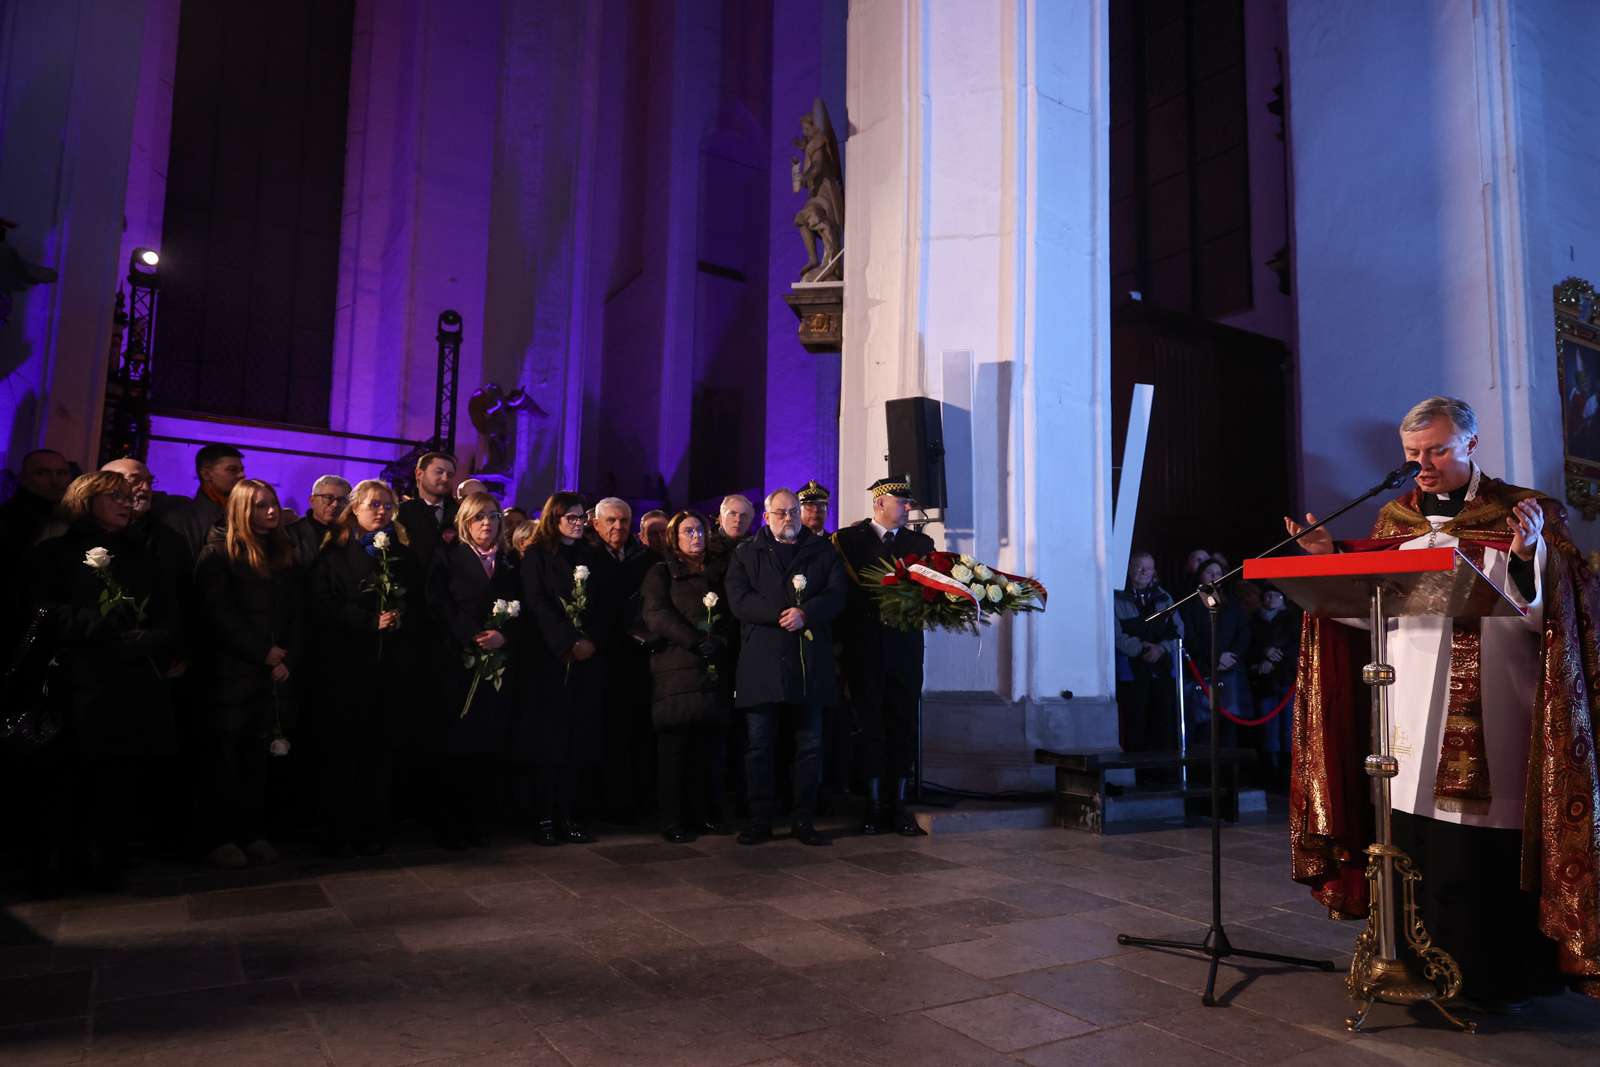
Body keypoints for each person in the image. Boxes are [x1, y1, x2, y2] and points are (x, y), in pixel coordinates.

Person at [1288, 395, 1600, 1010]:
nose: (1422, 465)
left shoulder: (1524, 511)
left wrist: (1526, 557)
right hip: (1404, 704)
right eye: (1412, 454)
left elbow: (1556, 615)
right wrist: (1327, 565)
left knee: (1479, 844)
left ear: (1471, 444)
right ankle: (1409, 963)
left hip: (1497, 701)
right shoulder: (1394, 519)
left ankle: (1493, 978)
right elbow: (1369, 614)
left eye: (1436, 450)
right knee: (1410, 830)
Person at [23, 472, 185, 893]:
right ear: (85, 499)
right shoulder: (55, 552)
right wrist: (97, 625)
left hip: (131, 679)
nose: (127, 502)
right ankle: (51, 862)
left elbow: (168, 606)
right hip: (78, 680)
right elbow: (39, 608)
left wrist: (158, 636)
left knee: (116, 777)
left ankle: (97, 856)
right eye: (115, 495)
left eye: (130, 496)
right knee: (65, 778)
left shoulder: (144, 554)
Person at [305, 479, 424, 856]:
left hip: (388, 669)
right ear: (354, 508)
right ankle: (337, 831)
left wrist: (401, 619)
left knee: (380, 753)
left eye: (388, 506)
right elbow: (321, 603)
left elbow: (420, 604)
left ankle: (372, 829)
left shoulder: (405, 557)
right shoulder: (334, 554)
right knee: (342, 753)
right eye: (373, 504)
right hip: (346, 667)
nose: (381, 511)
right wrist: (366, 621)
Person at [725, 487, 848, 846]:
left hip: (809, 662)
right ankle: (760, 819)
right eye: (780, 512)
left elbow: (837, 594)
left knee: (810, 747)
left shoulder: (823, 551)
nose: (789, 518)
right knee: (759, 747)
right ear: (766, 517)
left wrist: (806, 613)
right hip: (762, 661)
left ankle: (803, 818)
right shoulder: (746, 553)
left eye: (794, 511)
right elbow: (738, 598)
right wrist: (782, 614)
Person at [192, 479, 302, 870]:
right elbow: (215, 614)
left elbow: (296, 613)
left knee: (258, 759)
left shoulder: (284, 552)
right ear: (241, 509)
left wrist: (287, 657)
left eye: (273, 503)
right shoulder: (218, 553)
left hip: (270, 674)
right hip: (230, 673)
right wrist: (261, 652)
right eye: (260, 505)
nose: (271, 510)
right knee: (224, 760)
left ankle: (251, 832)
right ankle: (217, 837)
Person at [831, 476, 936, 835]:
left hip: (905, 646)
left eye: (908, 501)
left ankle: (898, 805)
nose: (908, 507)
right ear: (880, 502)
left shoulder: (920, 543)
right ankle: (873, 805)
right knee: (867, 723)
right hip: (864, 645)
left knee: (903, 722)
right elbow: (843, 592)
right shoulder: (848, 540)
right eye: (901, 501)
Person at [515, 492, 616, 845]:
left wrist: (589, 641)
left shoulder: (594, 555)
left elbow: (605, 604)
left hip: (586, 658)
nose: (578, 523)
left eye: (580, 518)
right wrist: (567, 642)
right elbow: (537, 603)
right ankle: (543, 817)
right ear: (554, 518)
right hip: (550, 658)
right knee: (549, 742)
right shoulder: (537, 555)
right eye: (571, 518)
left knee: (577, 741)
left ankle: (567, 813)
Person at [425, 492, 522, 850]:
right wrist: (472, 635)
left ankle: (480, 820)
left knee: (488, 744)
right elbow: (438, 601)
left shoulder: (510, 561)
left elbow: (525, 607)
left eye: (493, 516)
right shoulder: (448, 555)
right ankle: (451, 822)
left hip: (498, 662)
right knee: (456, 744)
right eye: (479, 516)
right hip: (458, 660)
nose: (487, 523)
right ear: (465, 521)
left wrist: (504, 636)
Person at [639, 510, 734, 843]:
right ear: (674, 538)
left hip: (714, 668)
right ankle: (671, 819)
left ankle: (705, 813)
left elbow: (734, 612)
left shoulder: (721, 571)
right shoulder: (661, 572)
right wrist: (693, 640)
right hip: (677, 667)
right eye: (688, 531)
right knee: (674, 750)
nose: (696, 536)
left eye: (700, 531)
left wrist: (721, 639)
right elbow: (656, 613)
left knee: (709, 750)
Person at [589, 496, 660, 822]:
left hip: (636, 660)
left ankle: (639, 799)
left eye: (624, 521)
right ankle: (606, 801)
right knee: (606, 735)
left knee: (637, 735)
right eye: (611, 520)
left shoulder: (643, 560)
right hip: (598, 658)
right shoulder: (587, 557)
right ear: (596, 523)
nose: (618, 526)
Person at [1113, 552, 1180, 762]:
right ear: (1129, 569)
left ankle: (1165, 771)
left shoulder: (1164, 597)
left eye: (1149, 568)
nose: (1144, 572)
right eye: (1140, 567)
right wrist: (1143, 650)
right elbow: (1115, 633)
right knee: (1136, 721)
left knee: (1164, 721)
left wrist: (1161, 649)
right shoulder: (1116, 597)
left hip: (1163, 668)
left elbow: (1178, 629)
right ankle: (1137, 772)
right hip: (1132, 670)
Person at [1176, 558, 1249, 748]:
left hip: (1230, 667)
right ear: (1200, 576)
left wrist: (1231, 655)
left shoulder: (1232, 603)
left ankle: (1229, 765)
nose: (1215, 577)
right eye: (1209, 572)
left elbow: (1243, 632)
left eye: (1218, 573)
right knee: (1205, 724)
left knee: (1229, 724)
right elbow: (1190, 636)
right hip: (1204, 667)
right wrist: (1216, 656)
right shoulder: (1190, 604)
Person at [1247, 583, 1298, 791]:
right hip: (1264, 679)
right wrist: (1264, 653)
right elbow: (1249, 644)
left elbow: (1298, 643)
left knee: (1287, 726)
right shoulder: (1254, 620)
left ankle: (1287, 775)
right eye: (1267, 596)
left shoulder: (1291, 618)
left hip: (1286, 676)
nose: (1271, 599)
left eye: (1276, 596)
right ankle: (1271, 772)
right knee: (1268, 726)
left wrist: (1275, 656)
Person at [159, 443, 245, 562]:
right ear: (206, 474)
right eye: (232, 470)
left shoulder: (246, 516)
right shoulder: (178, 521)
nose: (242, 475)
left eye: (242, 470)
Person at [396, 452, 458, 570]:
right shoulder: (400, 513)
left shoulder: (461, 515)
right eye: (439, 472)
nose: (445, 479)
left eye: (450, 475)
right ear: (419, 474)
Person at [286, 475, 349, 563]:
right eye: (328, 498)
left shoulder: (352, 536)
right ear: (312, 500)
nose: (335, 504)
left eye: (341, 500)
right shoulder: (288, 534)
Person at [709, 493, 755, 559]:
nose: (738, 520)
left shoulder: (758, 550)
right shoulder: (705, 547)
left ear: (749, 525)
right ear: (721, 520)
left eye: (743, 516)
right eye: (733, 514)